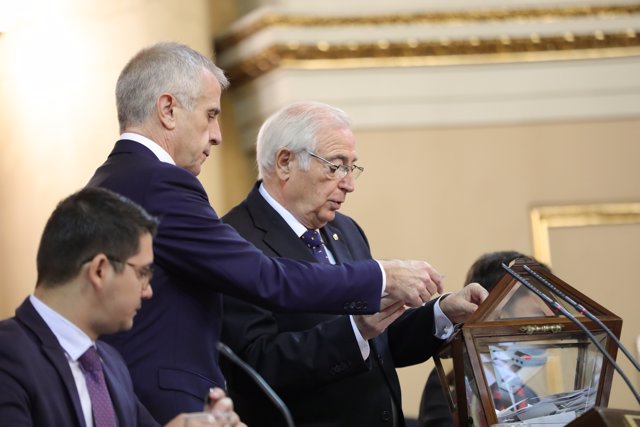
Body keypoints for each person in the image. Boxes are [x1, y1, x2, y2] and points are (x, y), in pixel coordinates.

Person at [86, 41, 448, 423]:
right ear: (168, 109)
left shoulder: (110, 179)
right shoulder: (162, 184)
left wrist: (439, 314)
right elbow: (265, 277)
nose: (217, 135)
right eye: (210, 114)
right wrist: (381, 276)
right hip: (166, 406)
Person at [219, 101, 488, 427]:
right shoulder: (235, 241)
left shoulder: (344, 230)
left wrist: (442, 312)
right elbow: (257, 364)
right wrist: (353, 332)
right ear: (285, 162)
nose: (349, 183)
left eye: (351, 167)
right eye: (335, 166)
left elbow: (378, 341)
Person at [0, 187, 245, 427]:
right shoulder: (8, 356)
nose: (148, 290)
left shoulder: (110, 363)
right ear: (100, 270)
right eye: (143, 273)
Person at [417, 250, 552, 427]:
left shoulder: (526, 393)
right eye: (539, 314)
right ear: (497, 309)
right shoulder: (451, 385)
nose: (550, 321)